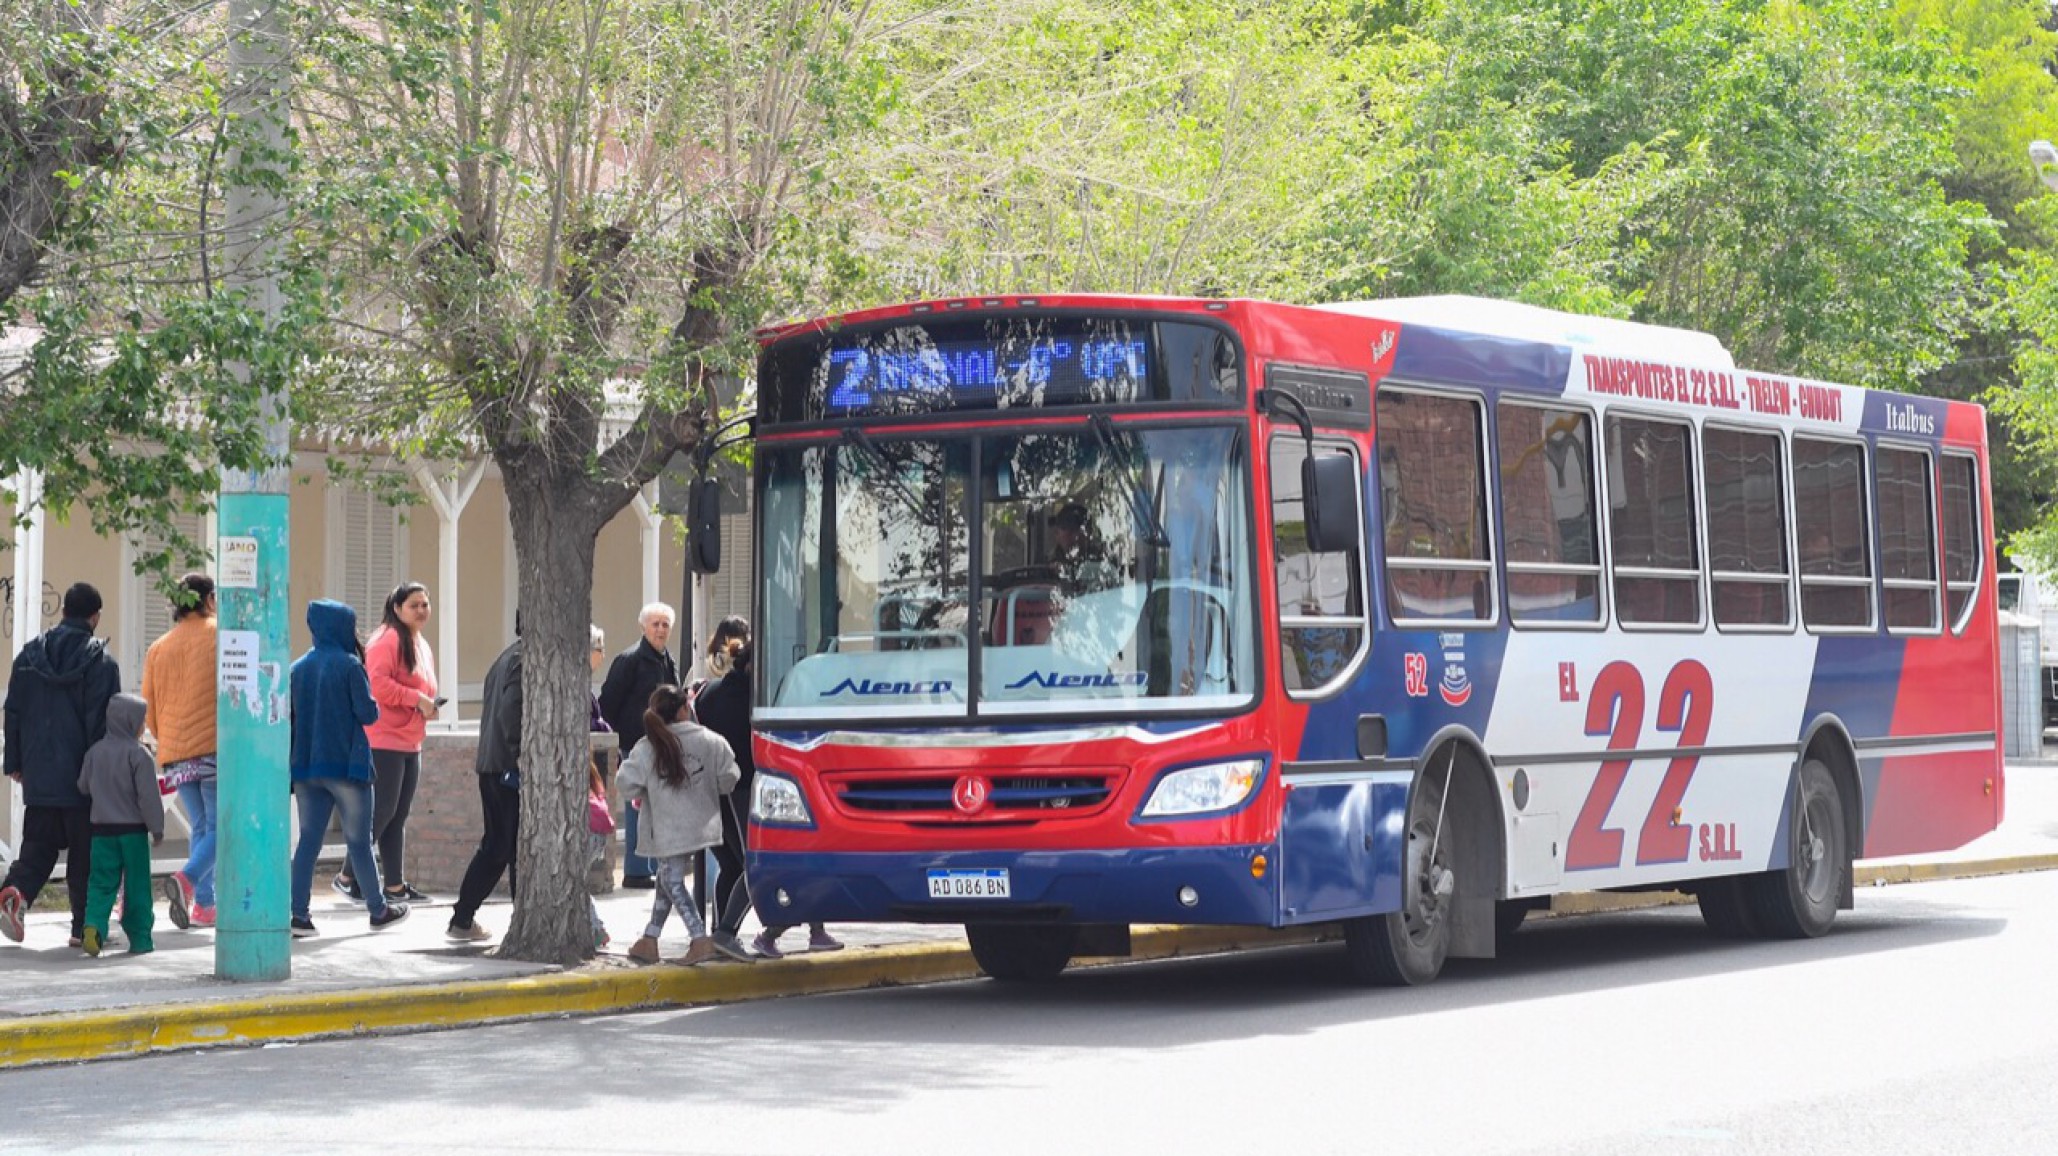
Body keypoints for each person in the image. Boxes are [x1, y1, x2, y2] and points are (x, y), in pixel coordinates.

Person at [696, 630, 841, 958]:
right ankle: (726, 931)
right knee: (756, 862)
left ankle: (723, 933)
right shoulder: (758, 701)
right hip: (746, 787)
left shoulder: (709, 694)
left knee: (733, 865)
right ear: (755, 668)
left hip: (711, 790)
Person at [0, 582, 123, 948]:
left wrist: (16, 762)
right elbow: (104, 723)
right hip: (83, 779)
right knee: (85, 855)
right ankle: (82, 928)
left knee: (38, 847)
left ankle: (16, 892)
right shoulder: (101, 662)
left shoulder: (28, 656)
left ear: (64, 610)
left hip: (39, 772)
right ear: (95, 615)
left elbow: (14, 712)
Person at [287, 599, 410, 937]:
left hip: (307, 767)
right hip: (347, 766)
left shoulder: (297, 668)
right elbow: (368, 714)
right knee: (358, 841)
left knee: (308, 841)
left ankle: (298, 915)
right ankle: (378, 909)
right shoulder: (350, 666)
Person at [618, 684, 743, 966]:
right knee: (667, 878)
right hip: (702, 823)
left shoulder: (648, 747)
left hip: (666, 826)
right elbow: (729, 778)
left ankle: (699, 938)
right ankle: (650, 938)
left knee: (672, 880)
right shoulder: (712, 741)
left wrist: (648, 792)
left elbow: (625, 784)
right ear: (685, 708)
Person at [335, 582, 440, 907]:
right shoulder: (387, 639)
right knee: (381, 812)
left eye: (425, 604)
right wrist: (417, 699)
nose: (422, 610)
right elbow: (377, 685)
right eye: (414, 605)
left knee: (397, 814)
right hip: (384, 739)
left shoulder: (417, 641)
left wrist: (429, 705)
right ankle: (347, 877)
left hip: (410, 740)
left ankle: (395, 885)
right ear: (396, 608)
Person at [140, 573, 219, 931]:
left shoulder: (159, 647)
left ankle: (204, 904)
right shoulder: (221, 634)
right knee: (223, 827)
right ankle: (187, 882)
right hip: (214, 748)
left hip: (176, 753)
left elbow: (149, 709)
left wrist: (169, 738)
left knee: (201, 825)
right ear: (208, 599)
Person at [447, 624, 523, 942]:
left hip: (493, 763)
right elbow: (510, 712)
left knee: (507, 846)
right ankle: (463, 918)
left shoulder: (506, 657)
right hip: (506, 767)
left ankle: (467, 918)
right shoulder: (523, 659)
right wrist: (521, 754)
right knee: (504, 847)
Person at [597, 602, 678, 888]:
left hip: (662, 749)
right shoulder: (629, 660)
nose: (660, 630)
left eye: (665, 625)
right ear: (643, 627)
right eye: (655, 624)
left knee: (656, 810)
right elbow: (608, 703)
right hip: (634, 746)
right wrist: (618, 745)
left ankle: (653, 867)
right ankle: (636, 871)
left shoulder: (668, 661)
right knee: (636, 808)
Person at [76, 693, 164, 956]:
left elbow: (82, 786)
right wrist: (157, 828)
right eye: (142, 720)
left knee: (101, 883)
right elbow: (148, 797)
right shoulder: (139, 756)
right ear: (130, 722)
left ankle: (93, 926)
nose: (143, 725)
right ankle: (140, 939)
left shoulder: (94, 752)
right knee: (137, 887)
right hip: (133, 834)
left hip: (101, 833)